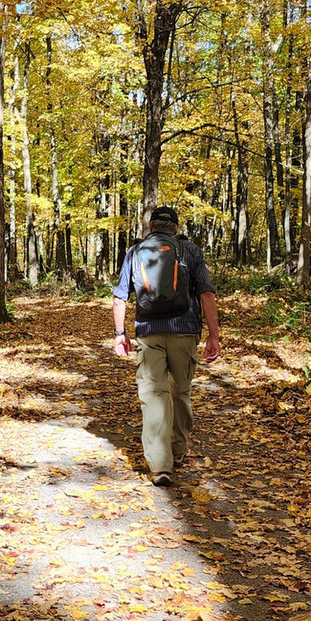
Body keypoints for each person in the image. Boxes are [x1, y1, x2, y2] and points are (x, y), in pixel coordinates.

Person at [111, 206, 220, 487]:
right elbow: (206, 293)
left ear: (150, 226)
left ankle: (160, 465)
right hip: (185, 332)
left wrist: (120, 333)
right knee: (180, 391)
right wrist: (214, 336)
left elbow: (120, 297)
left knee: (153, 395)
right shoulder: (190, 251)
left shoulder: (135, 252)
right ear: (175, 227)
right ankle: (178, 450)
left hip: (149, 333)